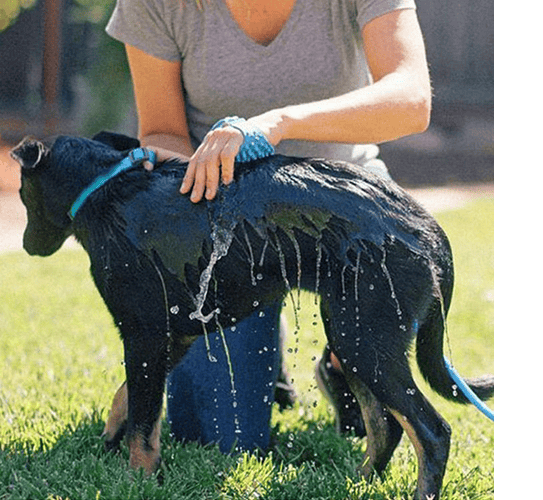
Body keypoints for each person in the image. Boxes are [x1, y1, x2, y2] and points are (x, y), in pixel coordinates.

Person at [105, 0, 431, 453]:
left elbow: (411, 100)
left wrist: (277, 124)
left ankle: (342, 362)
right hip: (224, 218)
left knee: (377, 332)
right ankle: (261, 317)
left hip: (345, 205)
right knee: (218, 440)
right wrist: (221, 176)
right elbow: (162, 133)